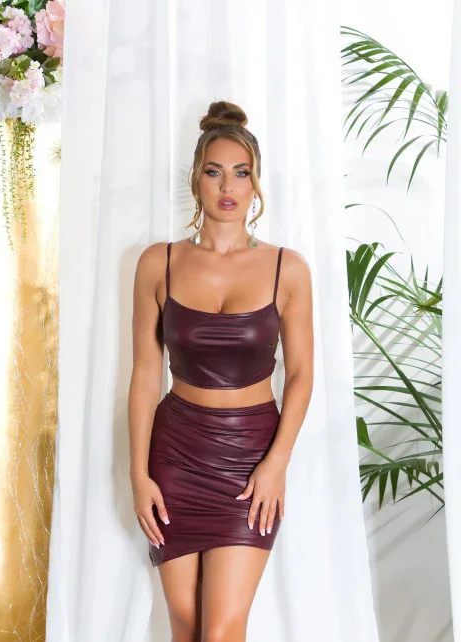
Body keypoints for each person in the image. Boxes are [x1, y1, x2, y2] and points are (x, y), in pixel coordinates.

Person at [128, 100, 314, 641]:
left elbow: (301, 374)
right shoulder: (157, 262)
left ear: (256, 184)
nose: (227, 186)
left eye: (241, 172)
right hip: (175, 453)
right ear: (196, 179)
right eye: (214, 172)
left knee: (222, 628)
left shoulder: (287, 268)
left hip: (250, 457)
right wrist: (138, 475)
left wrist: (276, 463)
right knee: (186, 625)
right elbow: (145, 375)